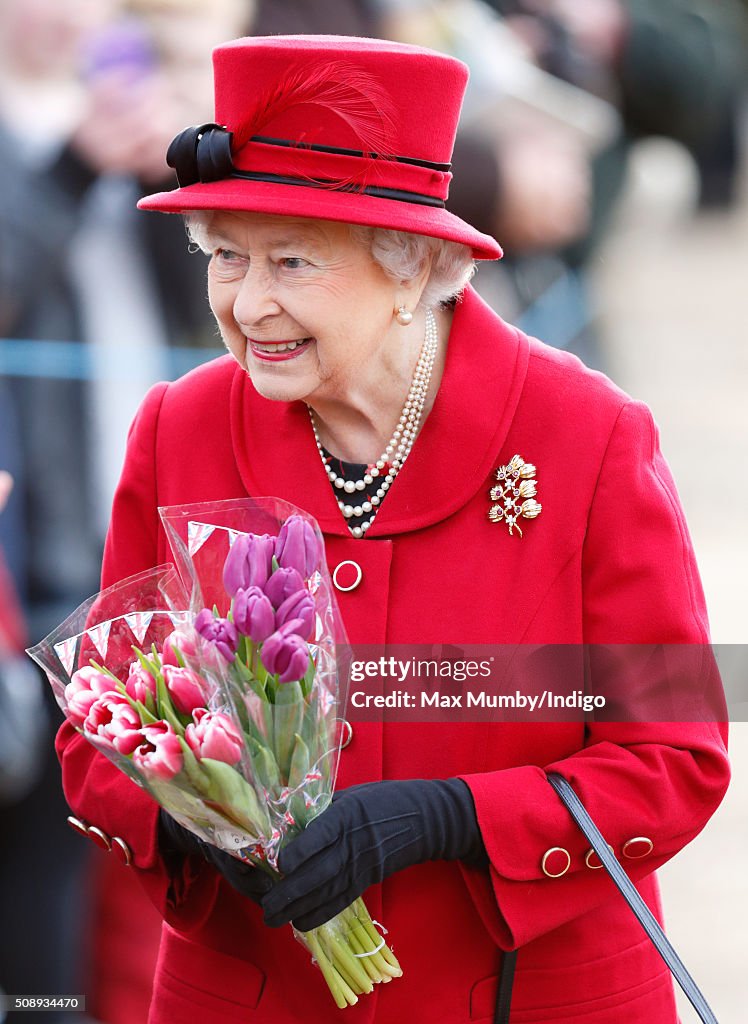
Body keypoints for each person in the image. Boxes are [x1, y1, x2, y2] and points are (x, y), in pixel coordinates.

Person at [55, 35, 730, 1023]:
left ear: (414, 267)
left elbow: (675, 756)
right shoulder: (180, 428)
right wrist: (197, 824)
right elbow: (99, 732)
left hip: (522, 999)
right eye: (224, 257)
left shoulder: (586, 437)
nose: (248, 305)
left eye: (290, 261)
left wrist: (454, 816)